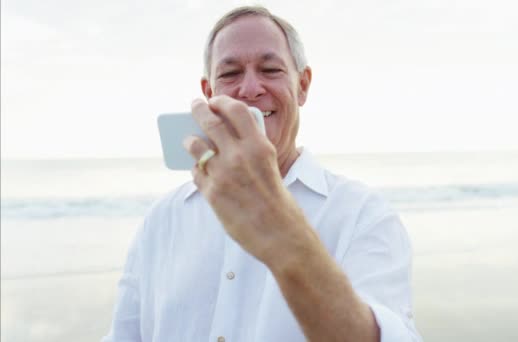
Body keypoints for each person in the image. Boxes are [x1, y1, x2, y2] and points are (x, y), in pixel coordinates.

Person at [103, 5, 422, 342]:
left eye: (270, 69)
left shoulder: (363, 215)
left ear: (303, 85)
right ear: (208, 92)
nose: (250, 88)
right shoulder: (162, 219)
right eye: (229, 74)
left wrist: (278, 226)